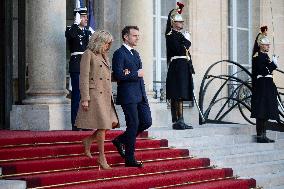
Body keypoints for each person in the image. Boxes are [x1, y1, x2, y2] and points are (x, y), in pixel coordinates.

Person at [75, 30, 119, 169]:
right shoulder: (88, 54)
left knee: (113, 122)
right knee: (103, 126)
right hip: (95, 95)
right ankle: (101, 157)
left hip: (106, 95)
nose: (108, 46)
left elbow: (106, 76)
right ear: (99, 41)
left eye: (109, 44)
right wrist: (85, 98)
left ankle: (88, 140)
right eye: (106, 43)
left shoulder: (104, 55)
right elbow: (84, 77)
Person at [112, 26, 152, 167]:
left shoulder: (136, 53)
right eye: (134, 35)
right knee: (133, 125)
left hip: (140, 95)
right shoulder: (119, 53)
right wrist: (134, 74)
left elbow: (133, 75)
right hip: (128, 96)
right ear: (125, 37)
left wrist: (144, 95)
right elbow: (118, 75)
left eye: (138, 36)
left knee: (146, 122)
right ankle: (129, 159)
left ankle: (120, 140)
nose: (137, 38)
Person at [165, 2, 194, 130]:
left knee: (181, 93)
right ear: (172, 22)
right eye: (179, 21)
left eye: (182, 21)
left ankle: (180, 120)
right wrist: (187, 41)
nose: (181, 23)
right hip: (177, 66)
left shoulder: (179, 35)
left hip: (183, 65)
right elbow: (179, 50)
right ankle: (178, 120)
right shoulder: (171, 35)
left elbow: (186, 53)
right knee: (178, 94)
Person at [65, 4, 92, 130]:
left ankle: (86, 123)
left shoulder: (88, 32)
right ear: (77, 17)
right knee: (77, 95)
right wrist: (76, 24)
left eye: (86, 16)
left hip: (87, 65)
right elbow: (71, 37)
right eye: (83, 17)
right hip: (77, 66)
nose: (86, 19)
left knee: (86, 95)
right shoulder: (71, 30)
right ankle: (75, 124)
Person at [251, 35, 279, 143]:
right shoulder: (258, 56)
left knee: (266, 110)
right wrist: (273, 64)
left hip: (267, 84)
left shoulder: (265, 56)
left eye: (268, 45)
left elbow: (268, 70)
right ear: (261, 45)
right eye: (266, 45)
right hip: (262, 85)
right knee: (261, 110)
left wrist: (272, 64)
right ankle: (260, 136)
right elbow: (263, 71)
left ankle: (264, 135)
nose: (268, 47)